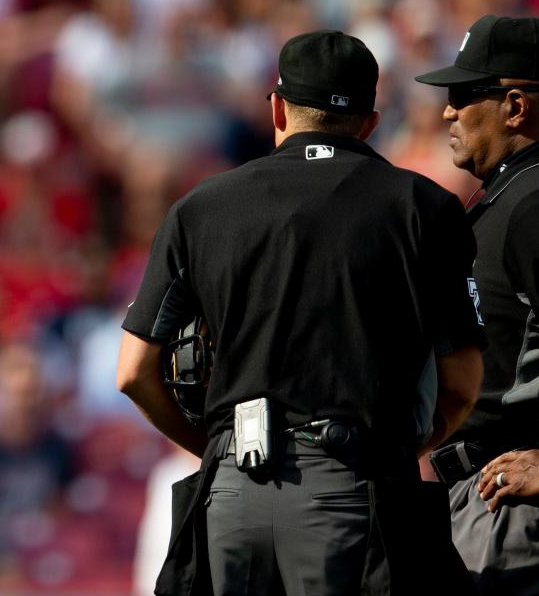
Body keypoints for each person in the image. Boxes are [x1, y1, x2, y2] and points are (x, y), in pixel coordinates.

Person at [116, 30, 485, 595]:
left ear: (278, 108)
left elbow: (133, 371)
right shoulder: (424, 208)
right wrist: (396, 452)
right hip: (354, 489)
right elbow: (461, 383)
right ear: (370, 121)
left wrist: (214, 447)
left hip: (229, 494)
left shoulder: (201, 207)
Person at [416, 14, 539, 592]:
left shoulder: (538, 206)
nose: (447, 111)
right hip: (483, 502)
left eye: (464, 94)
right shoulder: (515, 194)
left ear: (516, 105)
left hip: (518, 514)